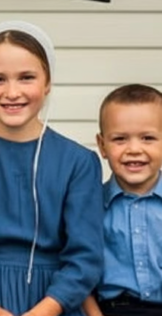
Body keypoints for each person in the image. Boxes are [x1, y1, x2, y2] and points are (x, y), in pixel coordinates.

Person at [0, 20, 104, 316]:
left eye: (26, 77)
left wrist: (44, 311)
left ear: (47, 83)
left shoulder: (79, 162)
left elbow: (85, 258)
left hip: (55, 301)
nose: (12, 92)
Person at [82, 84, 162, 316]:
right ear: (102, 145)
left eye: (148, 138)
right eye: (120, 139)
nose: (134, 149)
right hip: (113, 309)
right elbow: (79, 271)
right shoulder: (90, 206)